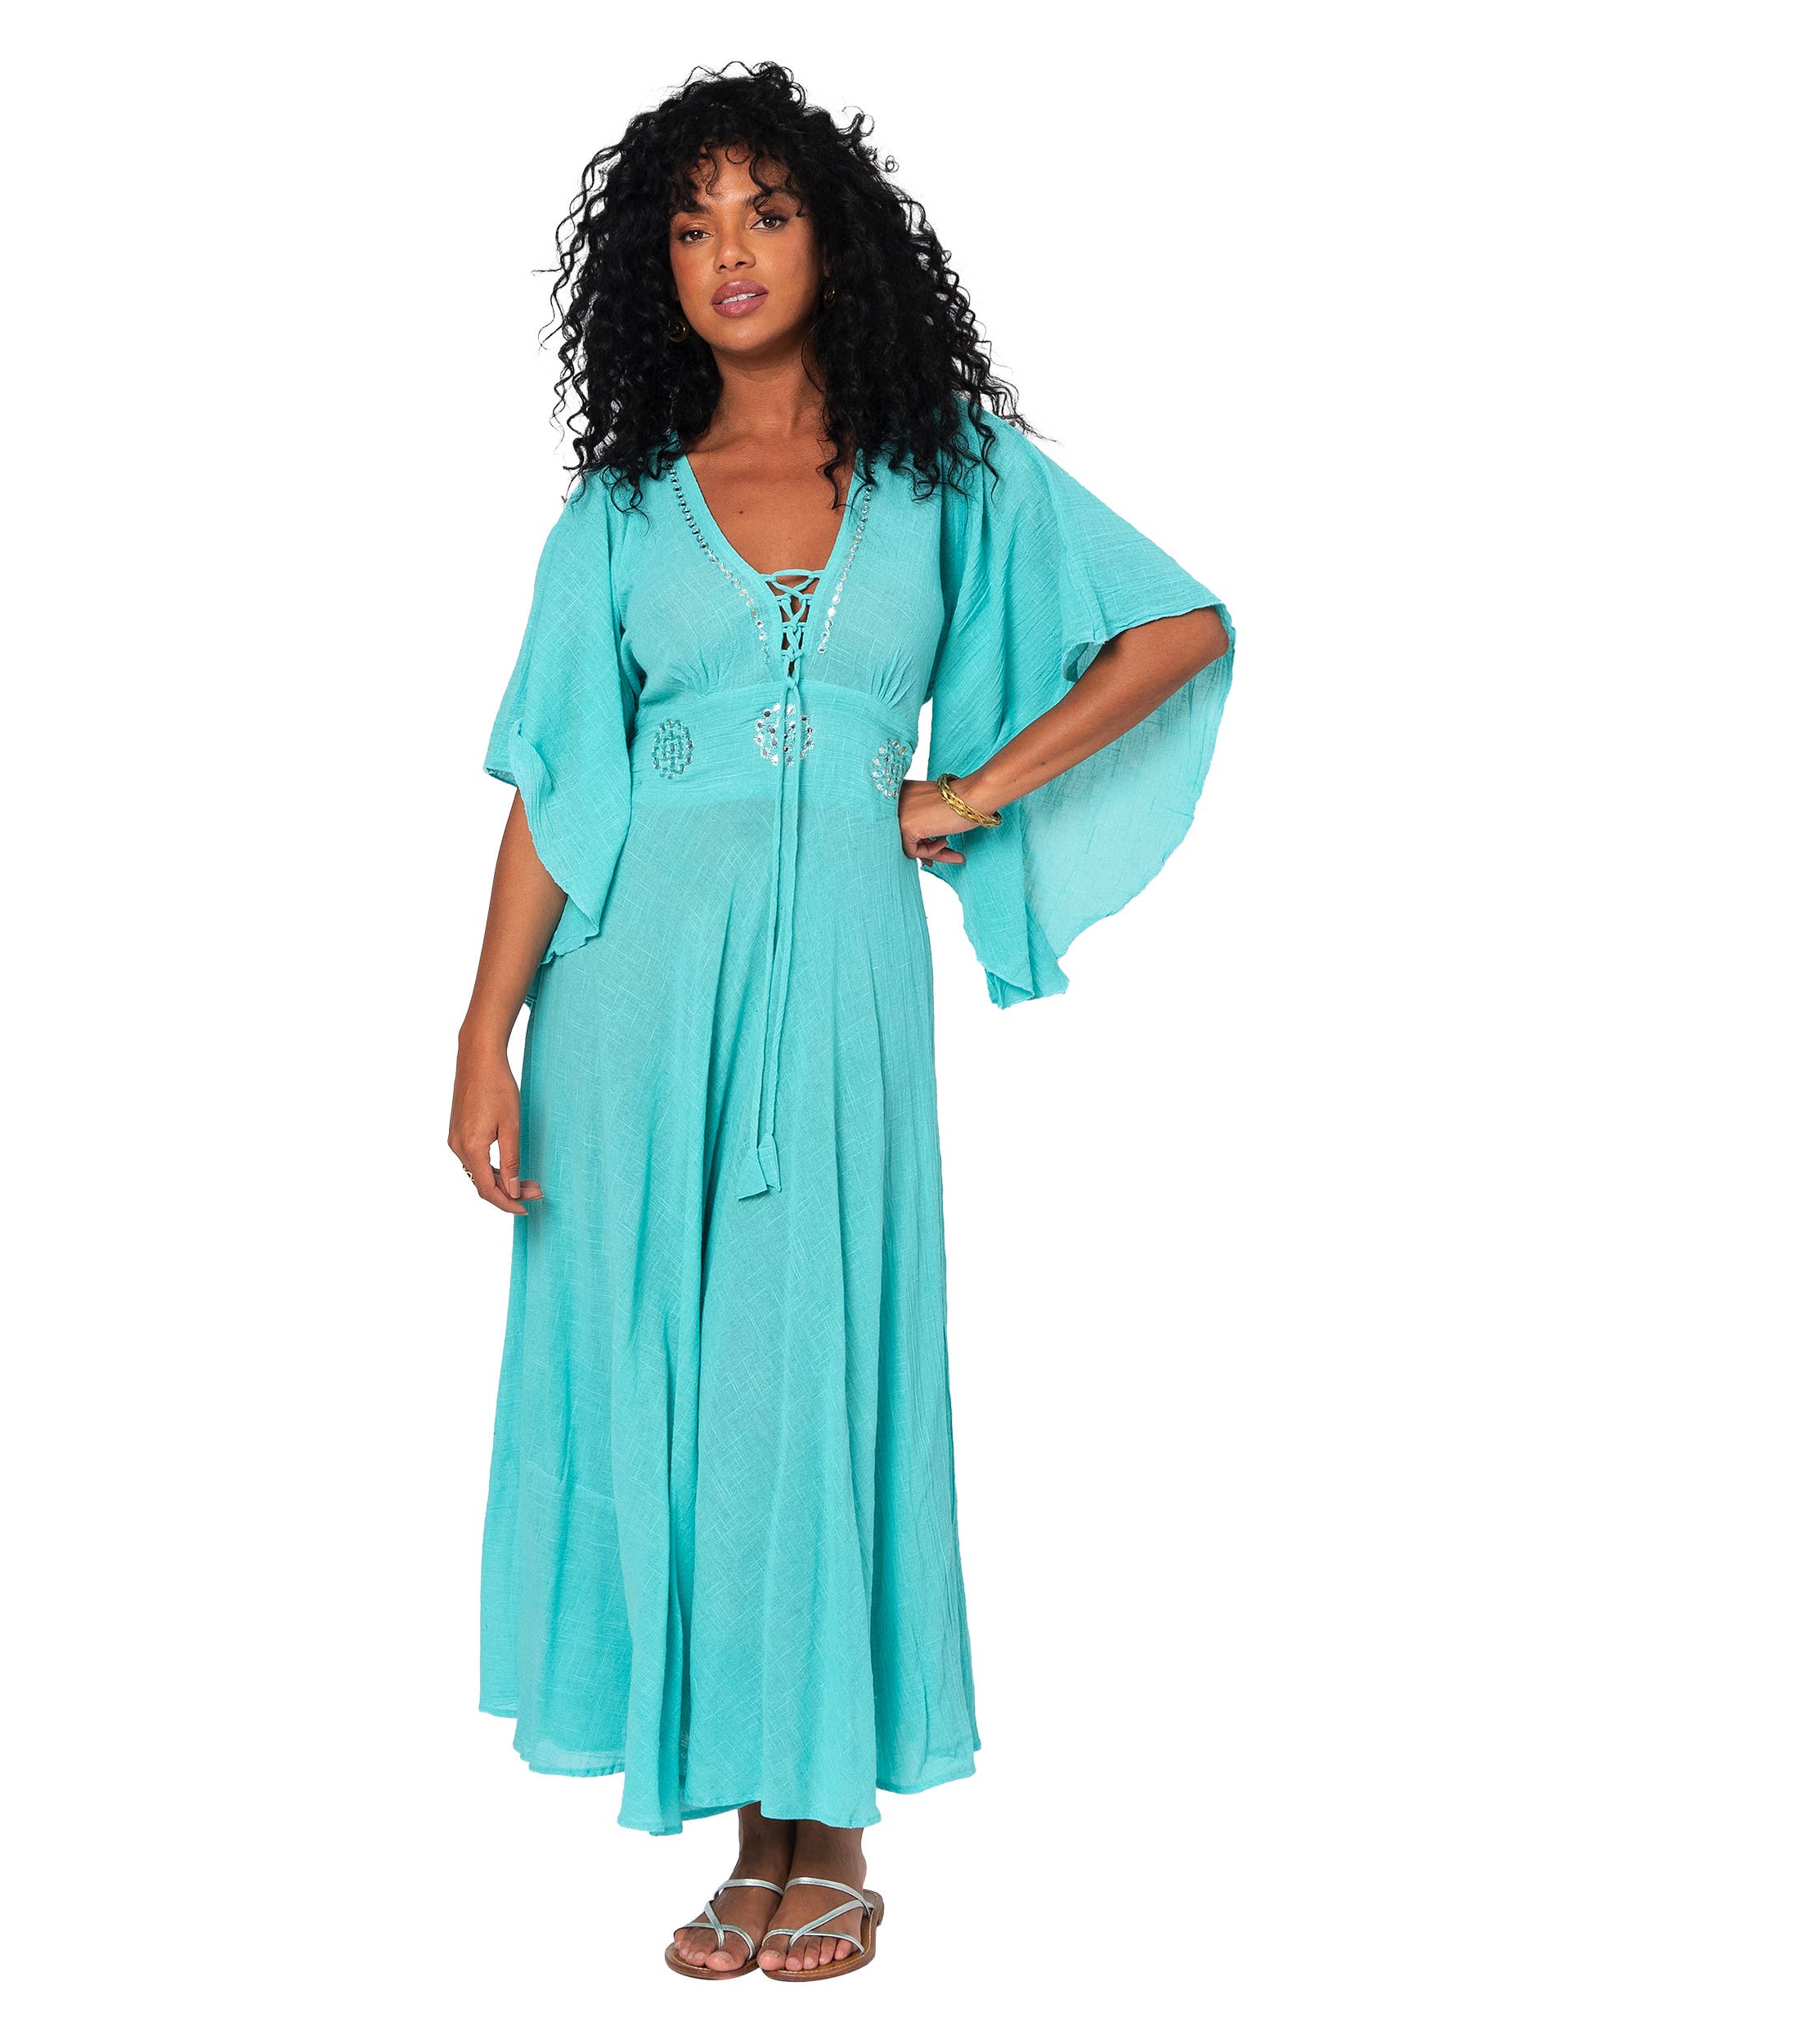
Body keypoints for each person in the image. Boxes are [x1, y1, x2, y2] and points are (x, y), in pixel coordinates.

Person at [448, 62, 1235, 1982]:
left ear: (834, 239)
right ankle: (748, 1833)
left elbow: (1175, 629)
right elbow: (557, 788)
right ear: (651, 266)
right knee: (682, 1383)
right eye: (689, 222)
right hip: (631, 1001)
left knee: (821, 1360)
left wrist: (971, 788)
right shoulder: (619, 511)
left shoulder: (946, 471)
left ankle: (833, 1832)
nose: (726, 249)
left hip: (844, 996)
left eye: (765, 210)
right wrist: (481, 1035)